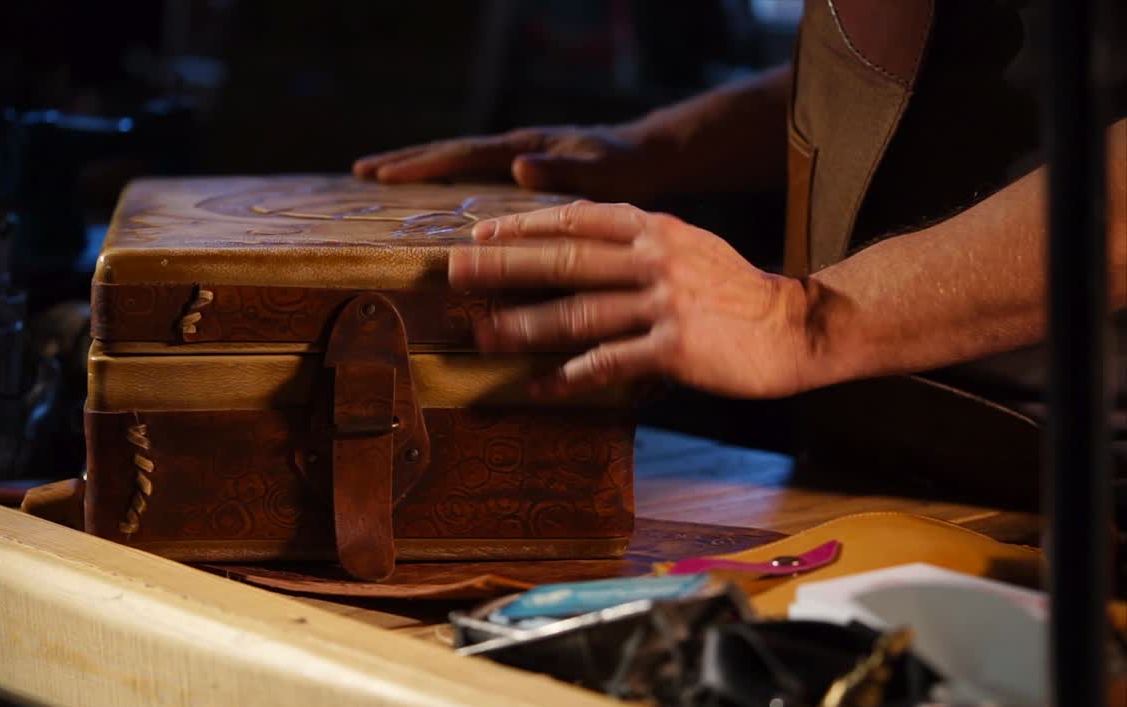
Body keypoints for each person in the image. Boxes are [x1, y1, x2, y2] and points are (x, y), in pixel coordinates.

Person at [353, 1, 1126, 410]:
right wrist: (655, 149)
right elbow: (973, 68)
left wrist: (806, 321)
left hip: (1070, 500)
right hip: (885, 445)